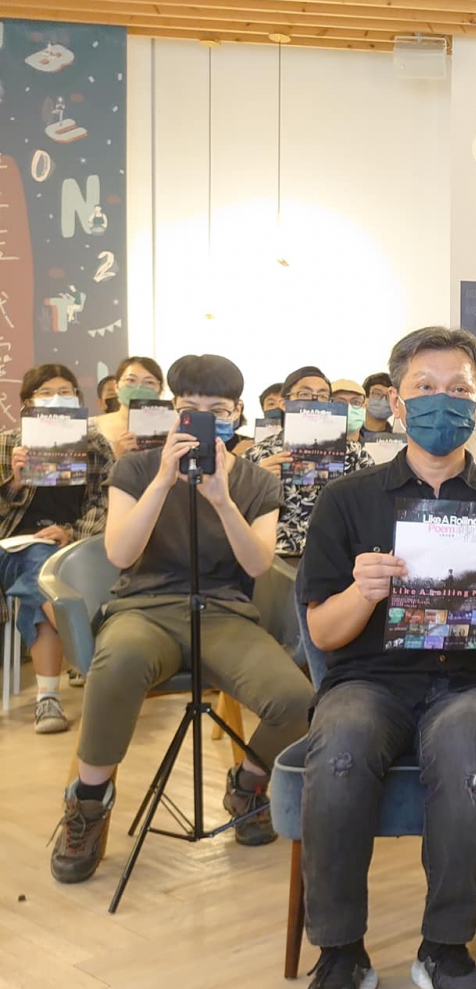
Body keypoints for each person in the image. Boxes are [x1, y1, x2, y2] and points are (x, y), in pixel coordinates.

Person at [293, 326, 476, 989]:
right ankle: (340, 953)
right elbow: (323, 631)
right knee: (341, 744)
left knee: (465, 744)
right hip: (371, 678)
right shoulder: (346, 501)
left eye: (458, 390)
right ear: (395, 400)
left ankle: (445, 945)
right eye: (424, 387)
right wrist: (363, 593)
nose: (441, 401)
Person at [51, 354, 312, 883]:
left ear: (236, 413)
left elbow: (258, 564)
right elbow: (120, 554)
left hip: (224, 613)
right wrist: (163, 482)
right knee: (117, 665)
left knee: (296, 700)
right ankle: (89, 803)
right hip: (143, 608)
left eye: (217, 410)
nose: (203, 419)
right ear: (174, 411)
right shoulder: (136, 468)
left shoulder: (258, 482)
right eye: (190, 408)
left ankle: (248, 785)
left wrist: (223, 501)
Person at [0, 364, 115, 734]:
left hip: (74, 546)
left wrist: (71, 533)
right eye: (46, 393)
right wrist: (15, 484)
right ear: (27, 403)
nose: (57, 399)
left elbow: (104, 503)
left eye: (66, 392)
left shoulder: (95, 445)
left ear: (78, 400)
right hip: (15, 545)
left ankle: (48, 697)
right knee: (40, 566)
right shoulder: (6, 444)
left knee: (42, 582)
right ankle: (92, 657)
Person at [244, 366, 375, 560]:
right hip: (276, 557)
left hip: (335, 557)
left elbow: (372, 505)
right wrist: (257, 482)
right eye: (304, 394)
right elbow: (235, 512)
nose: (315, 401)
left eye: (322, 396)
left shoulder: (355, 454)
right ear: (284, 403)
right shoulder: (258, 454)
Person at [93, 356, 166, 460]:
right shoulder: (88, 428)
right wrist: (118, 459)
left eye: (149, 382)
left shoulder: (172, 429)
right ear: (116, 386)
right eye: (131, 380)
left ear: (159, 389)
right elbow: (74, 469)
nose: (139, 388)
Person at [361, 373, 396, 440]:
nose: (384, 400)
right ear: (364, 399)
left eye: (389, 396)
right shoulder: (349, 435)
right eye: (377, 393)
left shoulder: (400, 439)